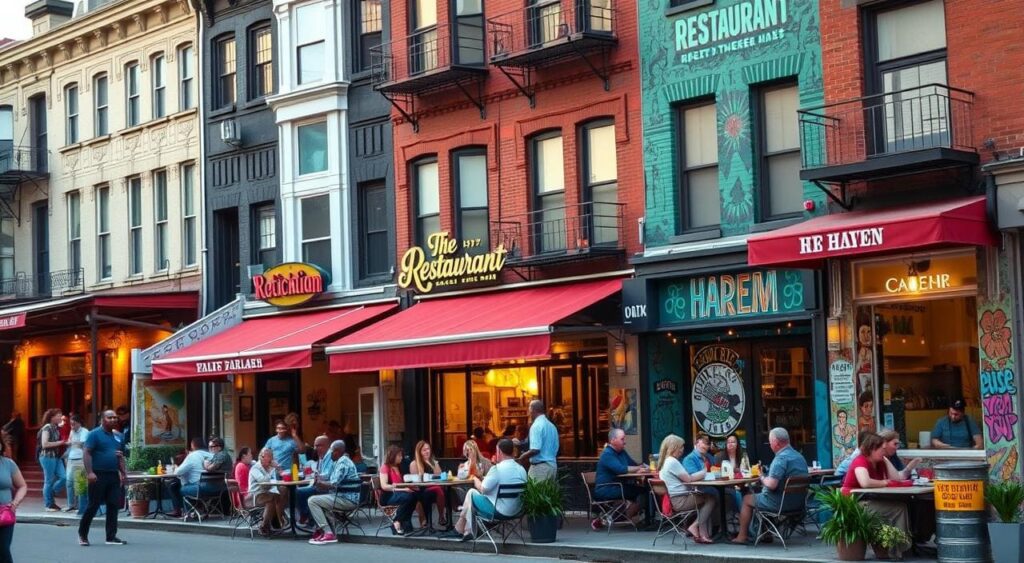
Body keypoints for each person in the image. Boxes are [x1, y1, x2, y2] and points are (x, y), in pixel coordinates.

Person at [732, 427, 809, 544]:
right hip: (798, 503)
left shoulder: (780, 458)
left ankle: (742, 536)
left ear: (776, 442)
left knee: (747, 499)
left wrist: (761, 476)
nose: (769, 444)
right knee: (760, 495)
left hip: (780, 503)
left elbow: (772, 485)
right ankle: (766, 533)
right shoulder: (799, 457)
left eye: (770, 441)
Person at [449, 438, 526, 541]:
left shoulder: (497, 469)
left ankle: (462, 528)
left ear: (499, 452)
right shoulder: (521, 469)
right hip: (518, 511)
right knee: (473, 497)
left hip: (499, 511)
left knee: (471, 493)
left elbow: (482, 489)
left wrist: (475, 478)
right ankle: (467, 530)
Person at [841, 432, 911, 537]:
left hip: (869, 499)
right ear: (872, 448)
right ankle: (899, 546)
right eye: (882, 449)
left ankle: (902, 543)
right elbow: (865, 482)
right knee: (899, 508)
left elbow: (896, 478)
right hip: (854, 503)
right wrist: (884, 482)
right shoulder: (860, 461)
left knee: (908, 503)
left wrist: (886, 460)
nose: (885, 451)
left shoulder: (880, 462)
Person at [78, 409, 127, 546]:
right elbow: (87, 452)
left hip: (113, 475)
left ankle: (111, 536)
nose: (113, 420)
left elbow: (120, 455)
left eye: (115, 418)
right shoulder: (94, 434)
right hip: (98, 474)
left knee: (113, 505)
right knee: (93, 506)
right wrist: (90, 472)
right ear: (102, 419)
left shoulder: (118, 436)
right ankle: (83, 535)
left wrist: (123, 472)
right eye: (109, 417)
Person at [657, 434, 715, 543]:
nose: (682, 450)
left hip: (675, 500)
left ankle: (703, 535)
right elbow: (689, 479)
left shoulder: (666, 462)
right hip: (680, 500)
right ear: (674, 447)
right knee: (710, 499)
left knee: (705, 498)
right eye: (681, 447)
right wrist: (703, 473)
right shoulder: (672, 462)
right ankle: (694, 526)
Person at [592, 428, 648, 529]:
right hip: (606, 489)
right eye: (622, 439)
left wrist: (640, 467)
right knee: (643, 492)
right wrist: (638, 468)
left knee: (641, 490)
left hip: (619, 486)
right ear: (613, 440)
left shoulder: (621, 452)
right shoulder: (607, 454)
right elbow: (621, 469)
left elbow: (632, 464)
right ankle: (624, 518)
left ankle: (617, 518)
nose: (625, 442)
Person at [307, 440, 360, 546]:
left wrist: (320, 483)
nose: (330, 454)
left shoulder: (343, 462)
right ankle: (328, 532)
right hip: (342, 497)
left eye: (331, 451)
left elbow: (334, 483)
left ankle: (327, 532)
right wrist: (320, 479)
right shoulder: (340, 461)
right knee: (320, 500)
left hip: (346, 499)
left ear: (337, 451)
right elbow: (331, 477)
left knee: (312, 501)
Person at [379, 445, 430, 535]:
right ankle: (397, 521)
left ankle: (403, 521)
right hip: (388, 496)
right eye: (399, 456)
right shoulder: (385, 467)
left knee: (416, 495)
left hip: (399, 494)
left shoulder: (399, 467)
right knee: (409, 497)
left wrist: (409, 487)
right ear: (393, 456)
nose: (401, 458)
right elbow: (384, 486)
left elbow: (402, 483)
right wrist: (402, 489)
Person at [168, 437, 213, 518]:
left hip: (199, 488)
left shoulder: (192, 456)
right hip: (215, 488)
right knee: (180, 485)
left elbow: (177, 472)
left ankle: (189, 511)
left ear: (193, 446)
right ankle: (197, 509)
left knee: (180, 487)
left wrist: (175, 466)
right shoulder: (211, 455)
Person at [1, 432, 28, 563]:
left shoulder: (8, 464)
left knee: (3, 549)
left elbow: (22, 486)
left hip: (5, 513)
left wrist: (15, 502)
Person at [248, 447, 287, 535]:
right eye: (268, 456)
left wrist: (278, 469)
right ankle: (264, 526)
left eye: (271, 456)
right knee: (273, 498)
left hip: (267, 492)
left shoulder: (269, 467)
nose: (271, 459)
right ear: (261, 457)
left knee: (283, 490)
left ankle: (278, 518)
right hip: (255, 495)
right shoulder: (256, 468)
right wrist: (271, 469)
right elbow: (264, 482)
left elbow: (276, 480)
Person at [517, 400, 558, 482]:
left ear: (532, 410)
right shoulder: (551, 426)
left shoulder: (536, 426)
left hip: (540, 467)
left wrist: (521, 458)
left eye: (529, 411)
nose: (529, 414)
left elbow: (535, 449)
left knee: (537, 494)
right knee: (548, 494)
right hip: (552, 466)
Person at [409, 440, 446, 527]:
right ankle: (441, 517)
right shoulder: (414, 464)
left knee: (448, 490)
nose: (427, 451)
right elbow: (417, 482)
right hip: (421, 489)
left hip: (433, 488)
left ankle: (451, 510)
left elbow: (440, 475)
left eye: (428, 449)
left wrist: (434, 464)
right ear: (419, 452)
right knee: (438, 489)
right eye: (424, 450)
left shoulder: (433, 462)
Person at [296, 436, 333, 524]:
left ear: (327, 446)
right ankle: (308, 516)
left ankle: (306, 515)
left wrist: (317, 475)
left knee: (299, 492)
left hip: (328, 488)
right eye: (315, 446)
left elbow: (328, 474)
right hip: (320, 485)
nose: (315, 448)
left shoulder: (331, 456)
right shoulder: (322, 456)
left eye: (318, 445)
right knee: (300, 491)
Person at [37, 408, 67, 512]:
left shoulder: (56, 427)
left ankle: (52, 492)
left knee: (64, 477)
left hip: (57, 456)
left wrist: (64, 443)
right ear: (52, 417)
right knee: (48, 480)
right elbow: (45, 444)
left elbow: (59, 441)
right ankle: (49, 504)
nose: (60, 417)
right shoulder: (47, 427)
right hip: (47, 457)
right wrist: (61, 443)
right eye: (59, 415)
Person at [713, 434, 746, 510]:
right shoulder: (718, 456)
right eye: (728, 442)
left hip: (740, 484)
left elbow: (745, 471)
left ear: (737, 444)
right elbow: (716, 473)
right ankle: (743, 518)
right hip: (725, 486)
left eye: (733, 442)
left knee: (750, 491)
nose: (730, 444)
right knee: (737, 494)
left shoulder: (742, 456)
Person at [64, 415, 89, 513]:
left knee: (80, 483)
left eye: (73, 424)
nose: (72, 426)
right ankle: (71, 505)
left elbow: (82, 443)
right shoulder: (72, 431)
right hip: (71, 458)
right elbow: (72, 443)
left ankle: (80, 506)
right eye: (71, 424)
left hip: (80, 459)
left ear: (79, 423)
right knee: (69, 482)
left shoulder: (85, 431)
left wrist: (71, 442)